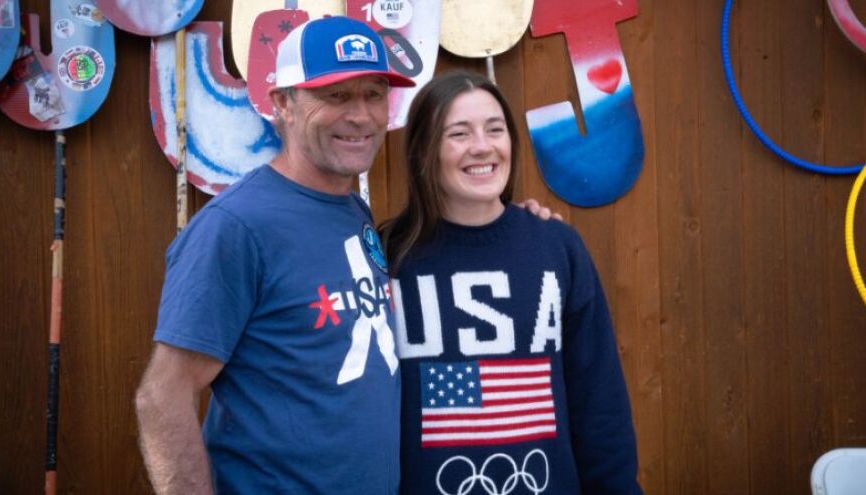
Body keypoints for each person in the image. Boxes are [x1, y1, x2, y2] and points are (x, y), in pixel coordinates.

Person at [135, 17, 415, 494]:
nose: (362, 115)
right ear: (282, 103)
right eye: (336, 95)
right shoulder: (236, 227)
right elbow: (162, 396)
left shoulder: (351, 210)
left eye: (373, 94)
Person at [380, 71, 643, 494]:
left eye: (495, 129)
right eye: (458, 133)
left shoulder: (557, 247)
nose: (482, 146)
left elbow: (599, 404)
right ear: (423, 151)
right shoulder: (387, 256)